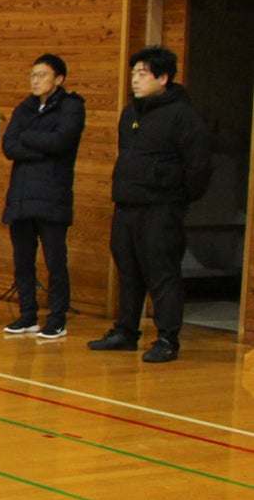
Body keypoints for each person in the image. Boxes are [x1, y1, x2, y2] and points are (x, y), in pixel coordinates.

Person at [88, 47, 211, 363]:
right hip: (127, 205)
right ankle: (126, 331)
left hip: (162, 208)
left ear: (163, 78)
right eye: (133, 73)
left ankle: (168, 338)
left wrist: (176, 197)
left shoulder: (183, 116)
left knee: (162, 273)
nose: (135, 79)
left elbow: (198, 168)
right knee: (128, 270)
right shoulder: (130, 113)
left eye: (143, 73)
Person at [0, 54, 84, 338]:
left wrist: (29, 137)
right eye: (33, 74)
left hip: (52, 194)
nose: (35, 80)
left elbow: (61, 141)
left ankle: (57, 317)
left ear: (59, 79)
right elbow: (9, 145)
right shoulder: (24, 107)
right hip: (21, 194)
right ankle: (27, 315)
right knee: (23, 259)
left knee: (55, 260)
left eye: (42, 75)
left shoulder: (71, 107)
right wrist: (39, 144)